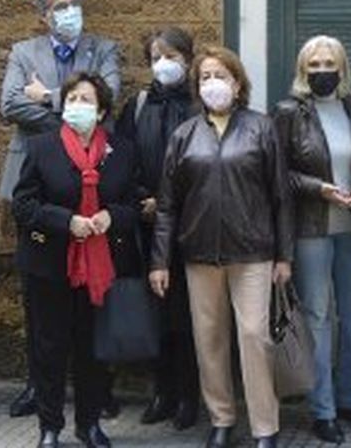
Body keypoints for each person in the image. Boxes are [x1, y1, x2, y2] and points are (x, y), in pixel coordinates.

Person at [150, 45, 294, 448]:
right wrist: (159, 261)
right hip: (199, 255)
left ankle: (266, 426)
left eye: (221, 76)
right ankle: (222, 418)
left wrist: (285, 255)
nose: (213, 83)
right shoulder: (184, 135)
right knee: (209, 339)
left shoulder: (261, 128)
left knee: (254, 337)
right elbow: (166, 206)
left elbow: (281, 196)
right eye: (205, 77)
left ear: (237, 82)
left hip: (253, 253)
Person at [0, 0, 123, 418]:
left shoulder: (103, 48)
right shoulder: (23, 52)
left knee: (95, 290)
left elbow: (109, 97)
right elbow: (11, 105)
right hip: (37, 182)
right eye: (60, 6)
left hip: (92, 186)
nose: (70, 11)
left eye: (75, 3)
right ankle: (39, 385)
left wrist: (49, 97)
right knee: (40, 294)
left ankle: (98, 389)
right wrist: (73, 118)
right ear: (44, 14)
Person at [13, 72, 142, 448]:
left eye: (86, 100)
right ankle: (49, 427)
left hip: (103, 266)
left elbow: (135, 203)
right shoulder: (41, 147)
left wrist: (111, 216)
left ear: (101, 110)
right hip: (50, 265)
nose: (77, 106)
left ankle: (89, 424)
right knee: (49, 347)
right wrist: (65, 221)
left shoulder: (122, 151)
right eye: (71, 99)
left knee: (94, 349)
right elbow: (23, 204)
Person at [273, 35, 351, 444]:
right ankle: (324, 409)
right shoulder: (288, 113)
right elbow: (278, 172)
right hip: (311, 230)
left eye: (328, 64)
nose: (322, 72)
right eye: (313, 65)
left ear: (342, 67)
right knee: (317, 318)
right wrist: (319, 188)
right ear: (303, 70)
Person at [114, 27, 201, 432]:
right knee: (157, 313)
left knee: (189, 316)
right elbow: (122, 159)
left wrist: (175, 206)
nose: (163, 64)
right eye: (155, 57)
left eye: (171, 55)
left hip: (193, 228)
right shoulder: (139, 105)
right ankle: (161, 391)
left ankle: (190, 394)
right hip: (148, 226)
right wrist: (142, 199)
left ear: (188, 58)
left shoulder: (201, 104)